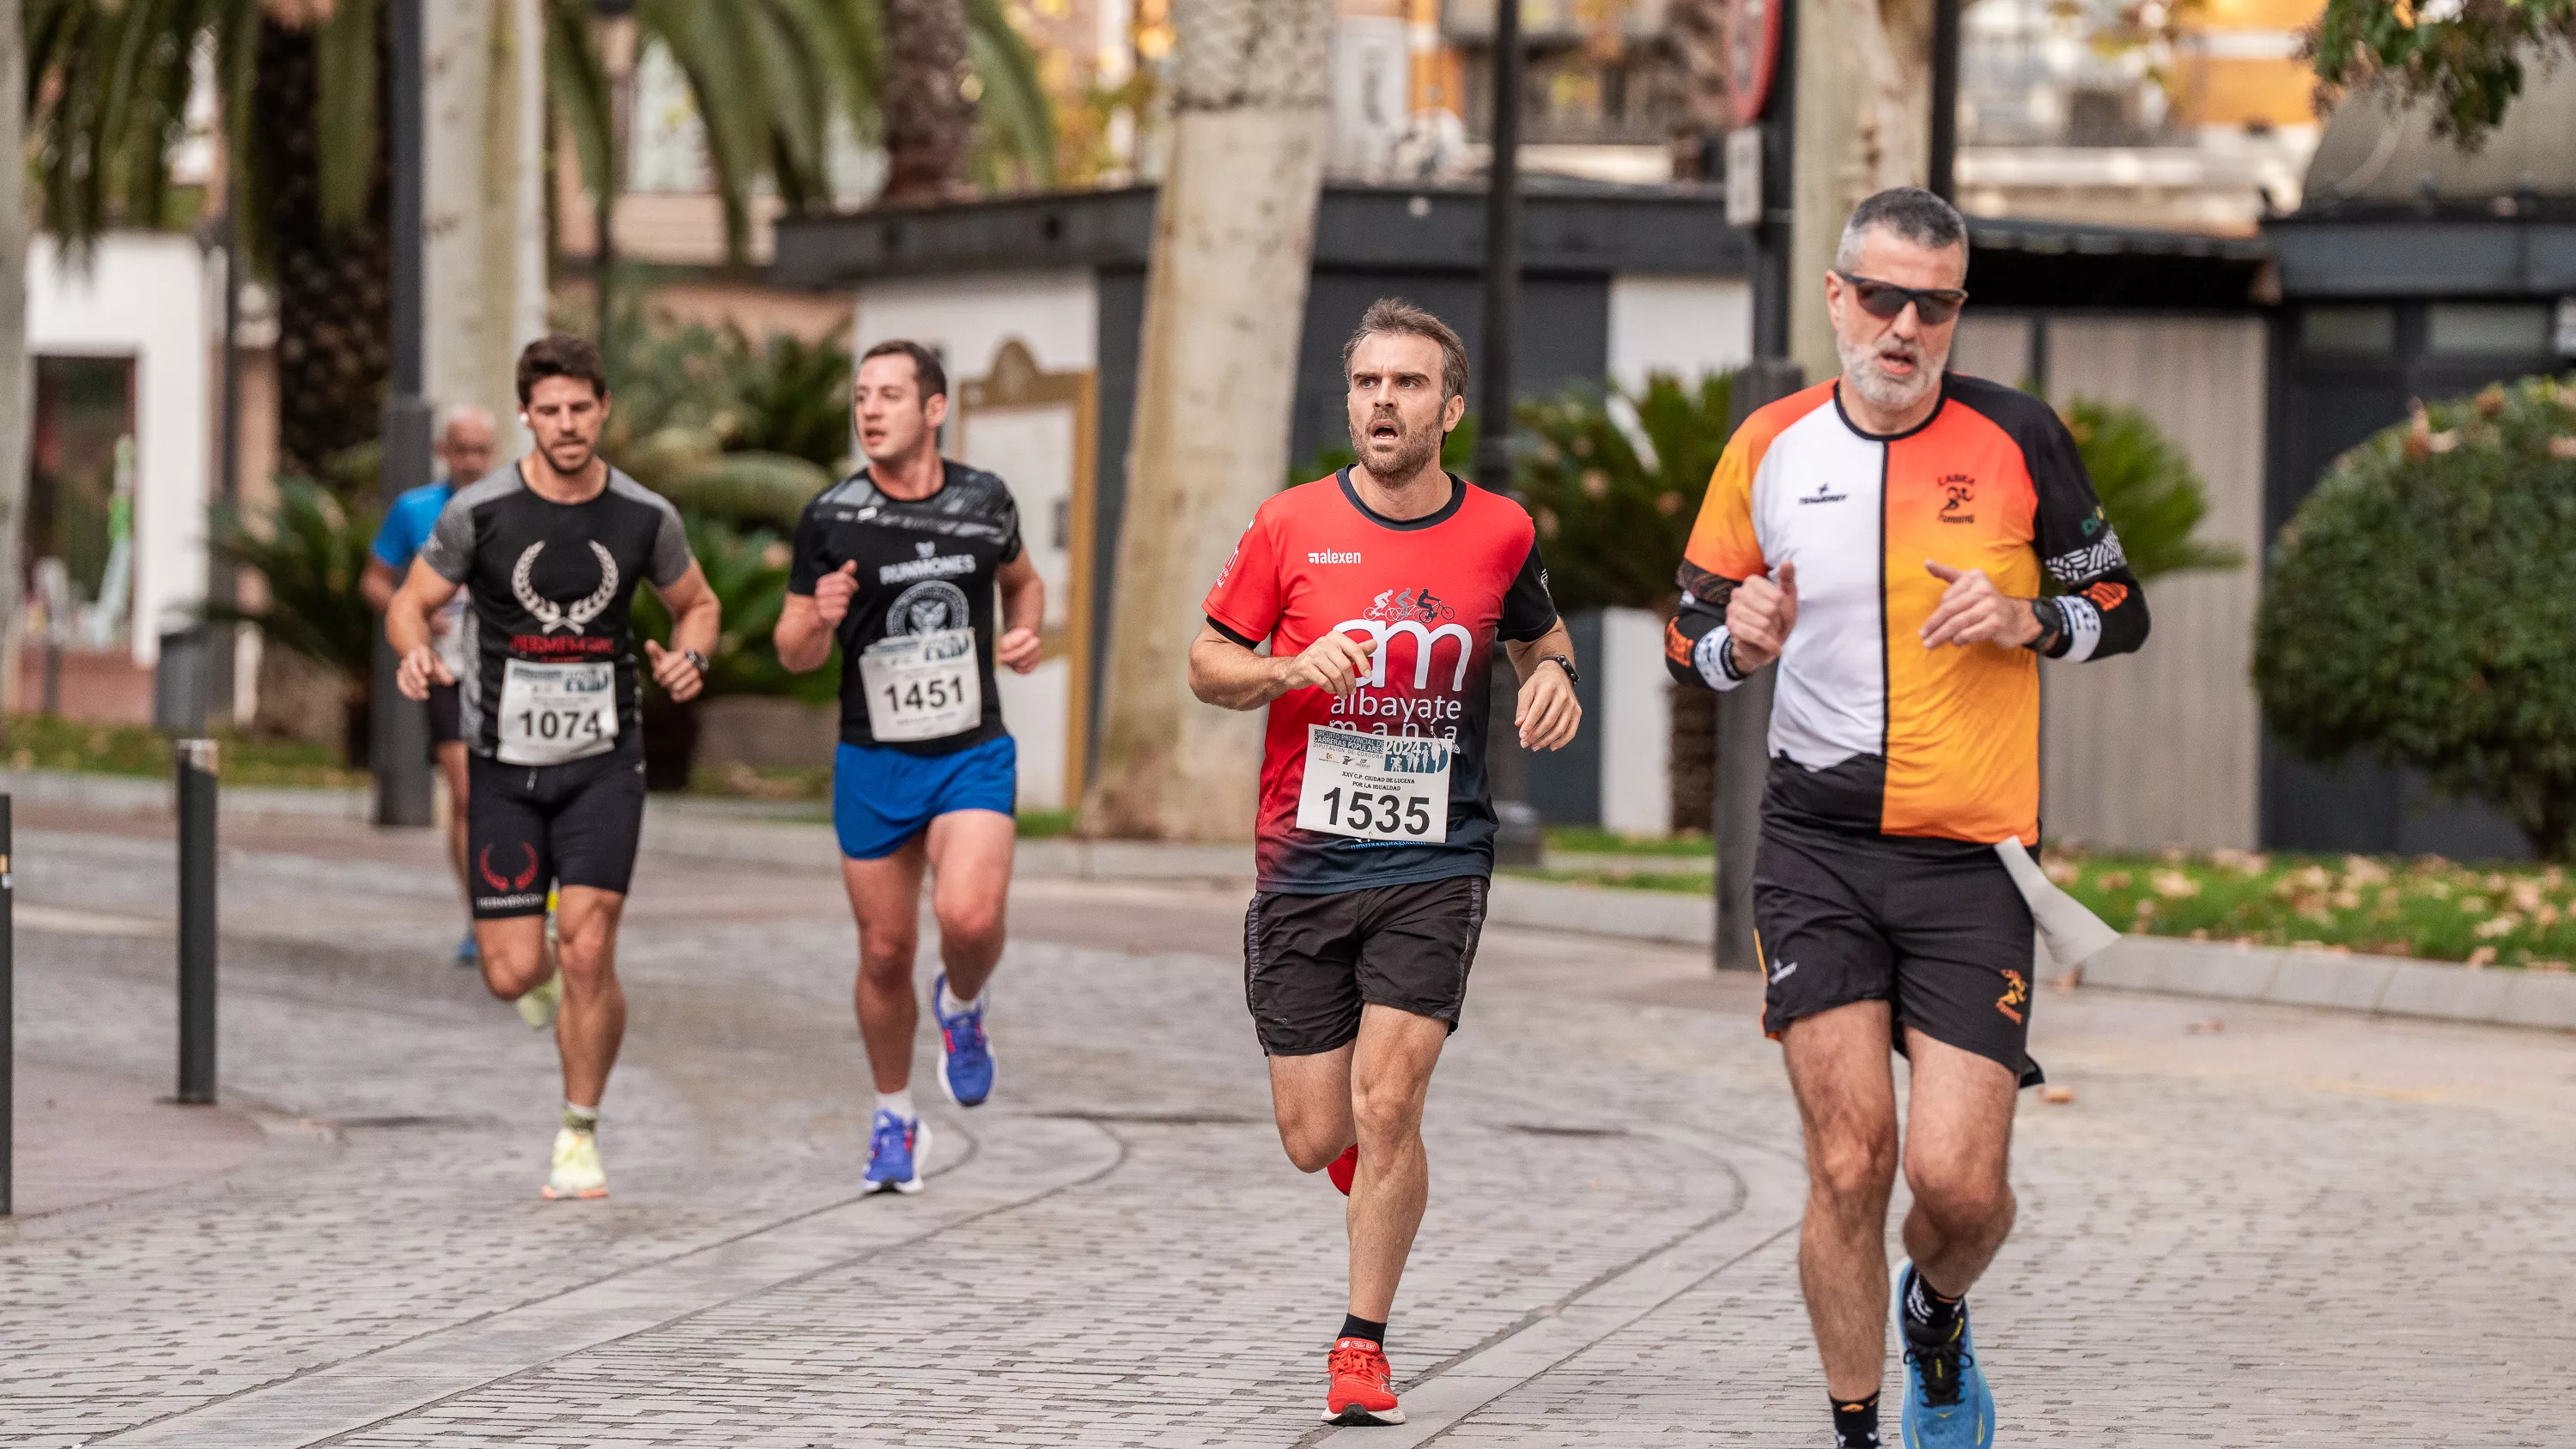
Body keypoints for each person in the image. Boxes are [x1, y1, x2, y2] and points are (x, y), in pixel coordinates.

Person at [1664, 187, 2150, 1449]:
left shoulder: (2019, 437)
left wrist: (2034, 618)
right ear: (1836, 298)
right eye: (1880, 296)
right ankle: (1858, 1428)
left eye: (1932, 304)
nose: (1902, 325)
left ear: (1956, 314)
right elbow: (1689, 635)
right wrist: (1737, 641)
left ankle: (1935, 1315)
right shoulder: (1766, 445)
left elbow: (2123, 608)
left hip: (1971, 865)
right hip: (1816, 852)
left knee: (1962, 1187)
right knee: (1847, 1161)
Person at [1189, 299, 1581, 1428]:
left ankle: (1360, 1344)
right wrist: (1290, 668)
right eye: (1368, 383)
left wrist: (1552, 676)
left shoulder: (1500, 530)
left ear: (1449, 410)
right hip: (1303, 860)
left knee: (1390, 1102)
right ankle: (1382, 1187)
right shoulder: (1288, 526)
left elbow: (1535, 635)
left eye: (1408, 385)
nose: (1383, 403)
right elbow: (1209, 664)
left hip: (1436, 856)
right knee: (1320, 1134)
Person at [386, 334, 721, 1202]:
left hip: (606, 761)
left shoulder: (645, 516)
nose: (567, 425)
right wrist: (414, 653)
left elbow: (699, 603)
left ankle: (579, 1129)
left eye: (581, 408)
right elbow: (409, 603)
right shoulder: (481, 512)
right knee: (511, 973)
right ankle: (540, 971)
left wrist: (692, 656)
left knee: (589, 945)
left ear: (603, 408)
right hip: (504, 764)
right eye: (550, 410)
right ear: (526, 417)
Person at [774, 340, 1043, 1196]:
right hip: (872, 757)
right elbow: (791, 651)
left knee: (967, 915)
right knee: (885, 950)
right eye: (861, 395)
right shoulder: (831, 515)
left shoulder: (983, 499)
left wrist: (1026, 629)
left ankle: (962, 1004)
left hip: (969, 750)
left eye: (890, 394)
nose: (870, 409)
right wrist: (818, 616)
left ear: (934, 409)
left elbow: (1024, 582)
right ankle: (895, 1114)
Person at [362, 404, 500, 965]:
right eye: (460, 449)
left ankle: (521, 905)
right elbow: (376, 581)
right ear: (444, 451)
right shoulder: (414, 510)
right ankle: (480, 919)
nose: (470, 461)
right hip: (446, 668)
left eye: (480, 450)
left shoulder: (514, 508)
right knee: (466, 796)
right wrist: (416, 614)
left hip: (509, 670)